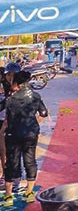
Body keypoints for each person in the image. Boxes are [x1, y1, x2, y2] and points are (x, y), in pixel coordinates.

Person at [2, 70, 48, 205]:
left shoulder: (11, 99)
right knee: (30, 161)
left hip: (13, 134)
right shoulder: (35, 96)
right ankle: (29, 192)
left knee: (11, 163)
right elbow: (44, 113)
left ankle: (9, 195)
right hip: (30, 133)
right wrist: (34, 123)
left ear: (17, 83)